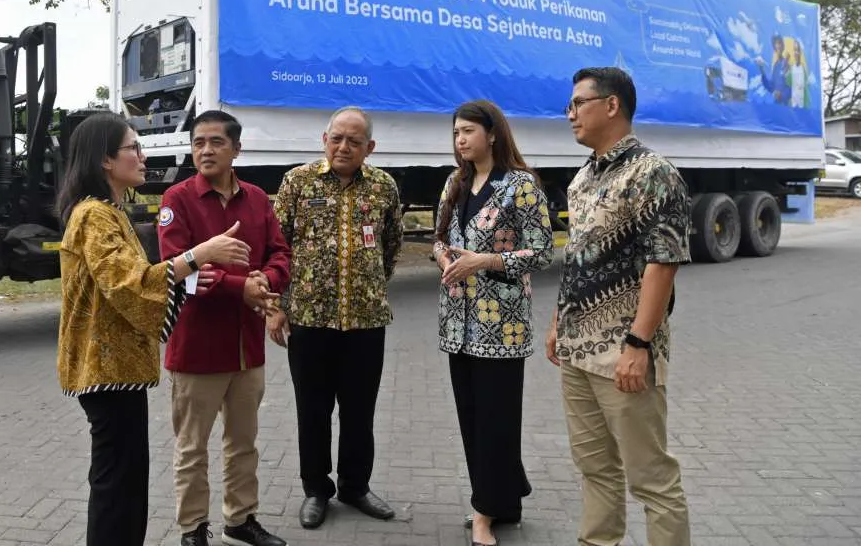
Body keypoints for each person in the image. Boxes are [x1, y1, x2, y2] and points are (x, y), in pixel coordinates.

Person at [54, 112, 252, 546]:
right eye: (133, 148)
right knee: (116, 488)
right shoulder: (94, 216)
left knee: (123, 484)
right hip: (106, 372)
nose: (143, 157)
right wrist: (199, 254)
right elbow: (128, 284)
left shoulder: (109, 212)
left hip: (117, 371)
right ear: (106, 160)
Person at [546, 67, 692, 546]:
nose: (570, 114)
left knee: (652, 479)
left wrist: (638, 343)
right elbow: (580, 259)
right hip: (577, 352)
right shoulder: (584, 176)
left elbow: (663, 264)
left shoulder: (654, 173)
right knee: (594, 468)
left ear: (611, 105)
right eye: (569, 106)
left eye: (577, 104)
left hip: (623, 354)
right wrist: (557, 324)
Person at [157, 110, 292, 546]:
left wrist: (265, 282)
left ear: (237, 148)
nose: (206, 150)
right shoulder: (176, 200)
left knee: (243, 443)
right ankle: (193, 528)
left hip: (247, 349)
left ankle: (240, 518)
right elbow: (182, 273)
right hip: (197, 349)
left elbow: (280, 255)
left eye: (216, 142)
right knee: (192, 448)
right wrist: (243, 288)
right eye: (198, 143)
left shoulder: (256, 199)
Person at [268, 106, 403, 530]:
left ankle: (355, 486)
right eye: (337, 138)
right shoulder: (298, 182)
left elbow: (390, 246)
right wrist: (276, 306)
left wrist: (367, 285)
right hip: (309, 320)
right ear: (324, 138)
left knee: (360, 410)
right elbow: (278, 246)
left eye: (354, 141)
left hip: (366, 320)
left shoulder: (383, 187)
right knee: (313, 410)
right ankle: (315, 489)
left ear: (370, 147)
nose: (344, 147)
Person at [431, 100, 554, 546]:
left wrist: (486, 260)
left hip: (501, 325)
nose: (460, 139)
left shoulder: (520, 185)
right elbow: (440, 239)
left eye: (468, 131)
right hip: (457, 324)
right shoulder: (455, 182)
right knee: (472, 419)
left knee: (496, 421)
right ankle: (505, 498)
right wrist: (444, 255)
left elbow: (542, 252)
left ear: (493, 134)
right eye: (456, 133)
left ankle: (484, 511)